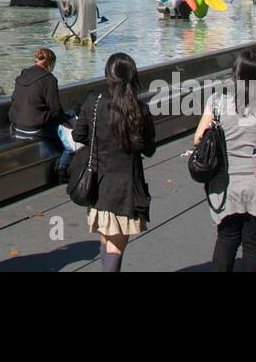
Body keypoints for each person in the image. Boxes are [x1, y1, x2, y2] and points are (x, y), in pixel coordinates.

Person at [194, 50, 256, 272]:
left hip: (227, 187)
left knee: (226, 240)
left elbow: (198, 138)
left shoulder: (216, 102)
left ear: (234, 75)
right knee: (254, 246)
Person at [71, 52, 155, 272]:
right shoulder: (140, 108)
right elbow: (150, 148)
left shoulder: (94, 104)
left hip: (98, 183)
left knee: (106, 240)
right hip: (128, 188)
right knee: (117, 247)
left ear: (107, 76)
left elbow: (78, 136)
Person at [9, 47, 75, 180]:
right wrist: (70, 126)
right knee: (71, 139)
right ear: (51, 63)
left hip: (16, 126)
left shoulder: (22, 75)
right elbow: (55, 111)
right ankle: (62, 170)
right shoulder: (49, 79)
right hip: (35, 129)